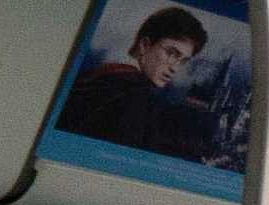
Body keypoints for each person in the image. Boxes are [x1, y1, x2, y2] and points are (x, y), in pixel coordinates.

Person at [55, 8, 216, 159]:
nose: (175, 68)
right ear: (145, 45)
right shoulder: (135, 94)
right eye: (171, 53)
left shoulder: (100, 76)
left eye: (183, 61)